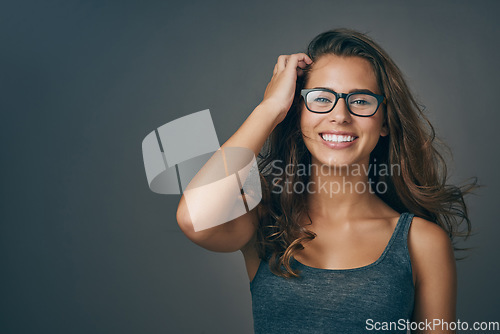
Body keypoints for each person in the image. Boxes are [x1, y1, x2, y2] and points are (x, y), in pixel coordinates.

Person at [176, 28, 476, 333]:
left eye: (360, 101)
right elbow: (193, 218)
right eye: (321, 99)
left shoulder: (421, 242)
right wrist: (269, 109)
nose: (340, 115)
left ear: (384, 121)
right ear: (298, 114)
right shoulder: (264, 217)